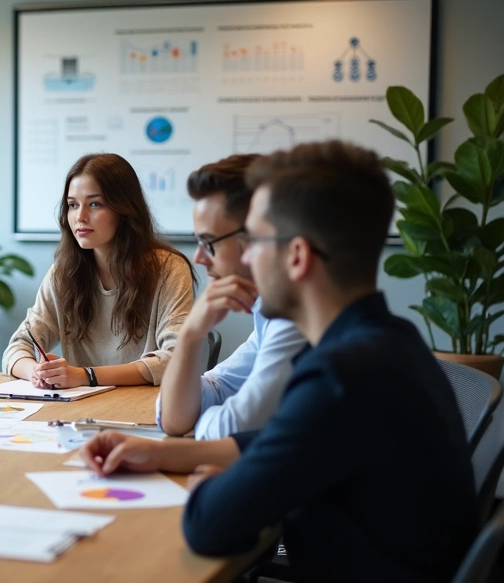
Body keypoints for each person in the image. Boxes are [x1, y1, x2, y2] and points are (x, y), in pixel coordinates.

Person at [81, 141, 477, 582]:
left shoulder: (340, 376)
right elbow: (282, 443)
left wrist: (207, 483)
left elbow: (209, 526)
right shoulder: (387, 342)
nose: (246, 257)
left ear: (297, 256)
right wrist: (159, 453)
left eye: (256, 240)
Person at [2, 153, 195, 387]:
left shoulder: (169, 269)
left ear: (124, 211)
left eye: (94, 204)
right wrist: (38, 372)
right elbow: (18, 347)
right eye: (72, 205)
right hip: (81, 413)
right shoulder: (64, 273)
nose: (80, 217)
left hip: (146, 410)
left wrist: (86, 376)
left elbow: (177, 359)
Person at [156, 155, 308, 438]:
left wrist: (201, 420)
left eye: (208, 242)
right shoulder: (268, 310)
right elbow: (176, 417)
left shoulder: (298, 317)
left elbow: (234, 427)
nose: (199, 257)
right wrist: (190, 334)